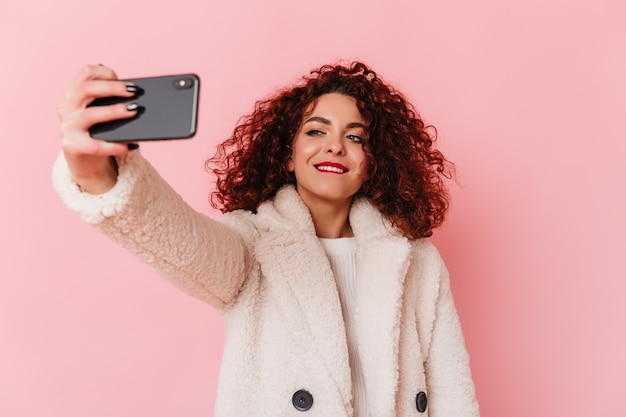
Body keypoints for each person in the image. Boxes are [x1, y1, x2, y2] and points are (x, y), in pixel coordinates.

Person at [53, 62, 480, 417]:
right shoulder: (253, 245)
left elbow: (452, 389)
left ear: (372, 164)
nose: (335, 146)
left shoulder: (416, 259)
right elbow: (179, 241)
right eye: (316, 131)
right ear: (287, 156)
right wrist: (97, 174)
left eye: (355, 137)